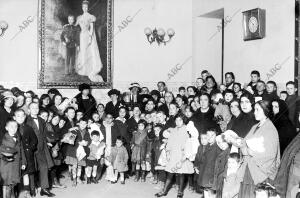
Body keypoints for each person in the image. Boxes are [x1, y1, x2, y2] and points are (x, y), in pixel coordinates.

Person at [237, 100, 280, 198]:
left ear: (266, 111)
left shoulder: (270, 129)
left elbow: (270, 155)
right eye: (254, 109)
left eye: (257, 110)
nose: (254, 112)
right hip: (249, 167)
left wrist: (249, 152)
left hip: (258, 172)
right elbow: (247, 141)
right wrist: (238, 141)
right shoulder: (255, 126)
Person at [155, 113, 194, 198]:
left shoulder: (186, 131)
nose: (178, 122)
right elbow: (170, 142)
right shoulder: (173, 130)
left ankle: (180, 192)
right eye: (176, 120)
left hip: (182, 155)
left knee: (181, 174)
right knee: (169, 173)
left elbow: (188, 145)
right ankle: (164, 191)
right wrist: (168, 152)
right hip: (173, 155)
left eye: (180, 120)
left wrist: (183, 158)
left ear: (184, 121)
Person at [26, 102, 55, 197]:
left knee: (44, 167)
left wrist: (48, 141)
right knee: (31, 169)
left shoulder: (42, 120)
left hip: (42, 147)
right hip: (31, 149)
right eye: (33, 108)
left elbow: (44, 133)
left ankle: (44, 188)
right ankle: (32, 188)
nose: (35, 110)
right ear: (29, 110)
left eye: (37, 108)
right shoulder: (26, 120)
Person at [75, 0, 103, 82]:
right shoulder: (79, 17)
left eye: (86, 7)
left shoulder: (90, 16)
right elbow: (75, 26)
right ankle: (83, 69)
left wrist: (90, 37)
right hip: (81, 36)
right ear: (82, 7)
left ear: (88, 8)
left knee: (88, 52)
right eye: (83, 7)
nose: (85, 8)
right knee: (82, 51)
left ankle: (88, 69)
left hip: (87, 35)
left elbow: (92, 28)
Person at [14, 109, 38, 197]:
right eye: (18, 116)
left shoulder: (28, 128)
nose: (20, 118)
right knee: (17, 173)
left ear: (25, 117)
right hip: (16, 155)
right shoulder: (12, 127)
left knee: (28, 172)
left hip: (27, 154)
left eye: (22, 116)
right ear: (14, 117)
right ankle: (17, 191)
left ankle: (29, 190)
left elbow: (34, 140)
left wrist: (30, 149)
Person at [0, 119, 26, 198]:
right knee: (6, 184)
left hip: (16, 165)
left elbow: (22, 150)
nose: (14, 128)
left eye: (15, 127)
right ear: (6, 128)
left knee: (13, 184)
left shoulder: (18, 137)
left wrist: (23, 162)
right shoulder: (3, 139)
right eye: (11, 127)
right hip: (6, 166)